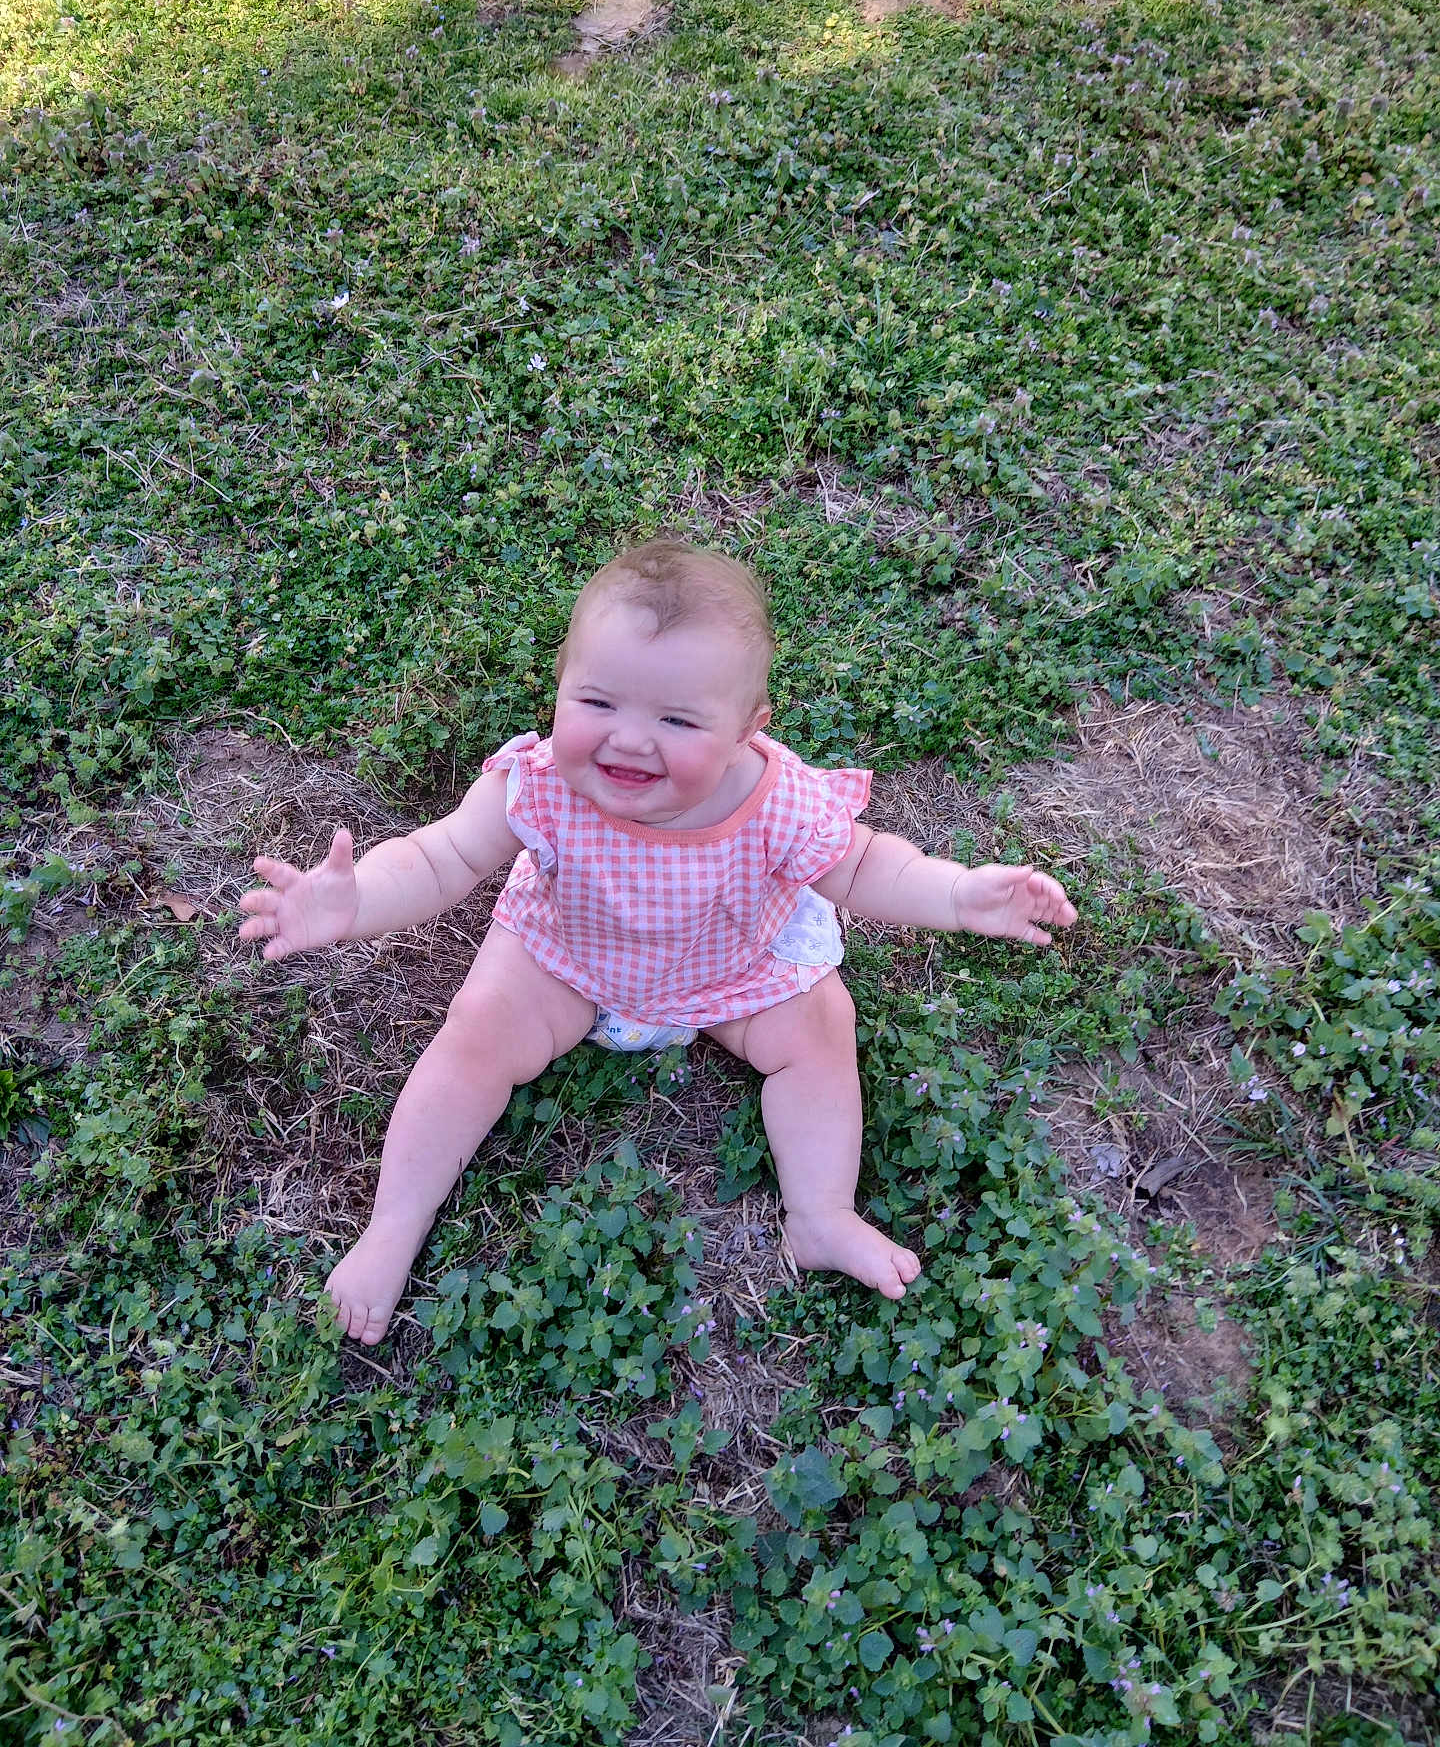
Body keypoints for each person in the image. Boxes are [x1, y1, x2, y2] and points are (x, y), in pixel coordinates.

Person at [239, 538, 1077, 1344]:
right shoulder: (537, 784)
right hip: (567, 954)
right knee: (473, 1036)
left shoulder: (777, 802)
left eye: (677, 718)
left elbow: (863, 869)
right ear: (559, 688)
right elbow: (441, 858)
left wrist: (961, 893)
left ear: (748, 729)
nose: (629, 739)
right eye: (597, 703)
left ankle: (821, 1214)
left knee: (822, 1031)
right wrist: (354, 905)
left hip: (735, 966)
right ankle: (393, 1227)